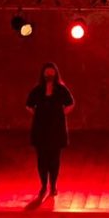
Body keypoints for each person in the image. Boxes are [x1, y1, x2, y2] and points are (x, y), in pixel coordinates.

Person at [25, 62, 74, 200]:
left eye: (52, 73)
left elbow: (70, 103)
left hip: (56, 129)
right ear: (43, 74)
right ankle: (43, 185)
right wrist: (37, 113)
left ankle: (53, 185)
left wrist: (61, 113)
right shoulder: (38, 89)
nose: (49, 76)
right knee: (41, 159)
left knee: (54, 159)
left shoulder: (61, 89)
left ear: (56, 74)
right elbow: (28, 105)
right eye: (47, 73)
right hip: (40, 128)